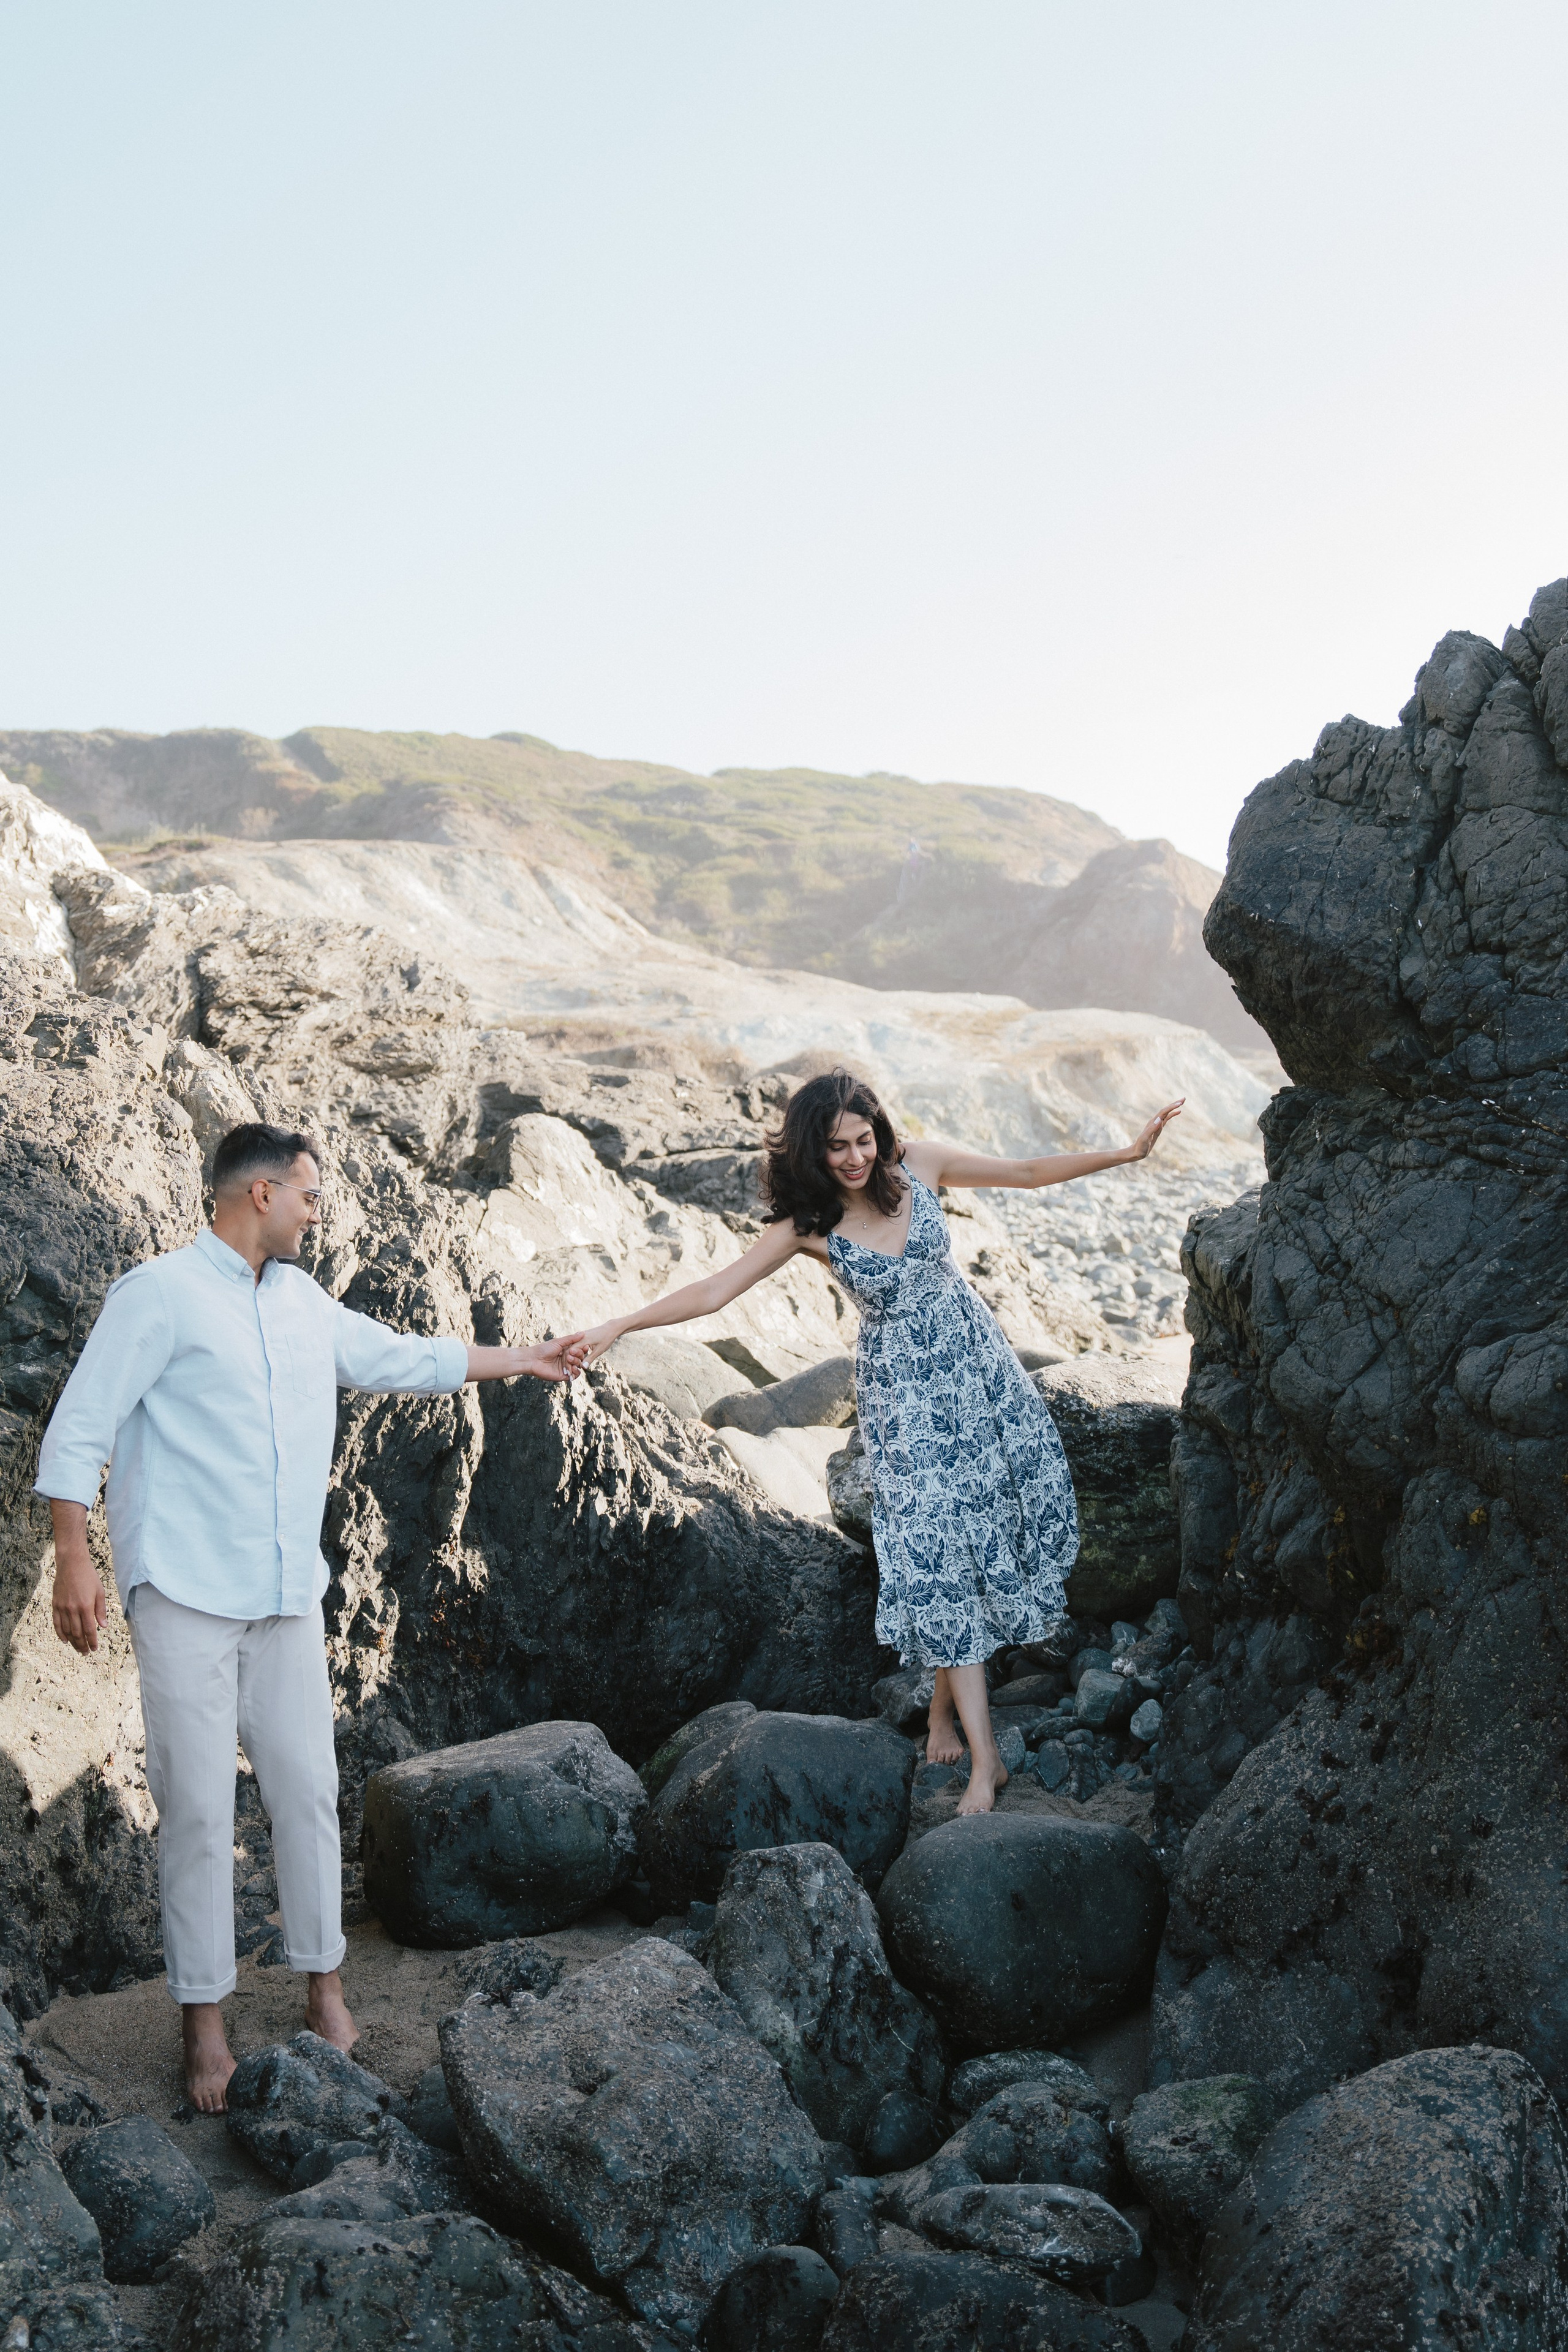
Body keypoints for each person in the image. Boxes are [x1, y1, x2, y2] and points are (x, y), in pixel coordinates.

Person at [35, 1121, 581, 2113]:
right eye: (310, 1195)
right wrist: (76, 1557)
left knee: (307, 1791)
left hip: (287, 1595)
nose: (316, 1213)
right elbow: (80, 1425)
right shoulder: (157, 1294)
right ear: (261, 1194)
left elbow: (406, 1358)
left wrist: (528, 1359)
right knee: (198, 1808)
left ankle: (325, 1989)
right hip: (184, 1591)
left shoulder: (303, 1303)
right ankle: (203, 2023)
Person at [570, 1069, 1183, 1815]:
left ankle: (940, 1710)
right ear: (812, 1151)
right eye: (838, 1147)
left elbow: (1025, 1172)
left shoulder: (918, 1165)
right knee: (936, 1551)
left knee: (980, 1531)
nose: (856, 1157)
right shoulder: (809, 1225)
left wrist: (1125, 1153)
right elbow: (713, 1290)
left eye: (864, 1139)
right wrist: (619, 1325)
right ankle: (986, 1761)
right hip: (904, 1400)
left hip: (977, 1371)